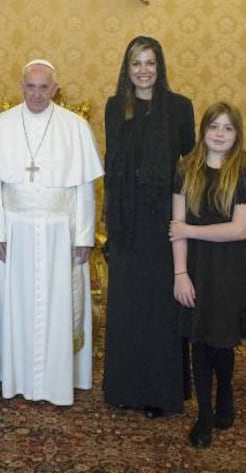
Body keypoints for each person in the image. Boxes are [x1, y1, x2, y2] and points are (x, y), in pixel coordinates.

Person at [0, 59, 104, 406]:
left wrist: (83, 238)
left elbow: (83, 189)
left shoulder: (75, 127)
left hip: (61, 231)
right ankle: (13, 375)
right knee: (14, 304)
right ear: (21, 86)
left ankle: (56, 379)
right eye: (30, 87)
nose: (36, 94)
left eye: (43, 87)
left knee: (58, 305)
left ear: (54, 89)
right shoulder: (0, 125)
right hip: (13, 230)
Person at [103, 36, 195, 417]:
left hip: (164, 223)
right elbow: (112, 165)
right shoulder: (114, 107)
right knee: (127, 306)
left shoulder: (179, 107)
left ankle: (160, 392)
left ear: (161, 67)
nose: (143, 70)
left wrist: (183, 223)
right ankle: (126, 387)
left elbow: (189, 169)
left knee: (160, 308)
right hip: (127, 223)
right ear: (127, 69)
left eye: (150, 63)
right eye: (136, 63)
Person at [169, 102, 246, 448]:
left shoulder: (241, 173)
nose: (219, 134)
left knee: (222, 340)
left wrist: (191, 229)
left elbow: (239, 230)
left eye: (228, 128)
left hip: (230, 268)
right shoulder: (185, 171)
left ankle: (225, 392)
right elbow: (176, 230)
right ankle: (204, 414)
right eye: (214, 126)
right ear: (203, 131)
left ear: (237, 135)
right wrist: (180, 273)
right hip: (195, 267)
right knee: (198, 340)